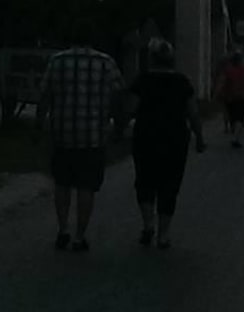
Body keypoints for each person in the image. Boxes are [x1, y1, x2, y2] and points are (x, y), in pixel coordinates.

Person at [37, 32, 121, 253]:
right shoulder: (105, 62)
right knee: (86, 187)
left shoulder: (57, 61)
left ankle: (63, 229)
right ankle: (79, 236)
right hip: (93, 136)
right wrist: (114, 123)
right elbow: (118, 94)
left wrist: (40, 124)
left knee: (62, 183)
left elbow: (44, 95)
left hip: (62, 134)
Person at [127, 39, 205, 248]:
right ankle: (164, 234)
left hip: (146, 137)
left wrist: (120, 127)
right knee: (170, 184)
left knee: (144, 181)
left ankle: (148, 225)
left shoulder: (143, 80)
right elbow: (193, 113)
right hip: (175, 138)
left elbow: (131, 108)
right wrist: (199, 137)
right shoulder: (182, 82)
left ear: (152, 58)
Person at [215, 51, 244, 147]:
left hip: (230, 97)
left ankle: (234, 132)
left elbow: (222, 82)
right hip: (243, 97)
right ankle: (236, 137)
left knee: (232, 115)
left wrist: (217, 93)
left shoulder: (227, 70)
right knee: (240, 117)